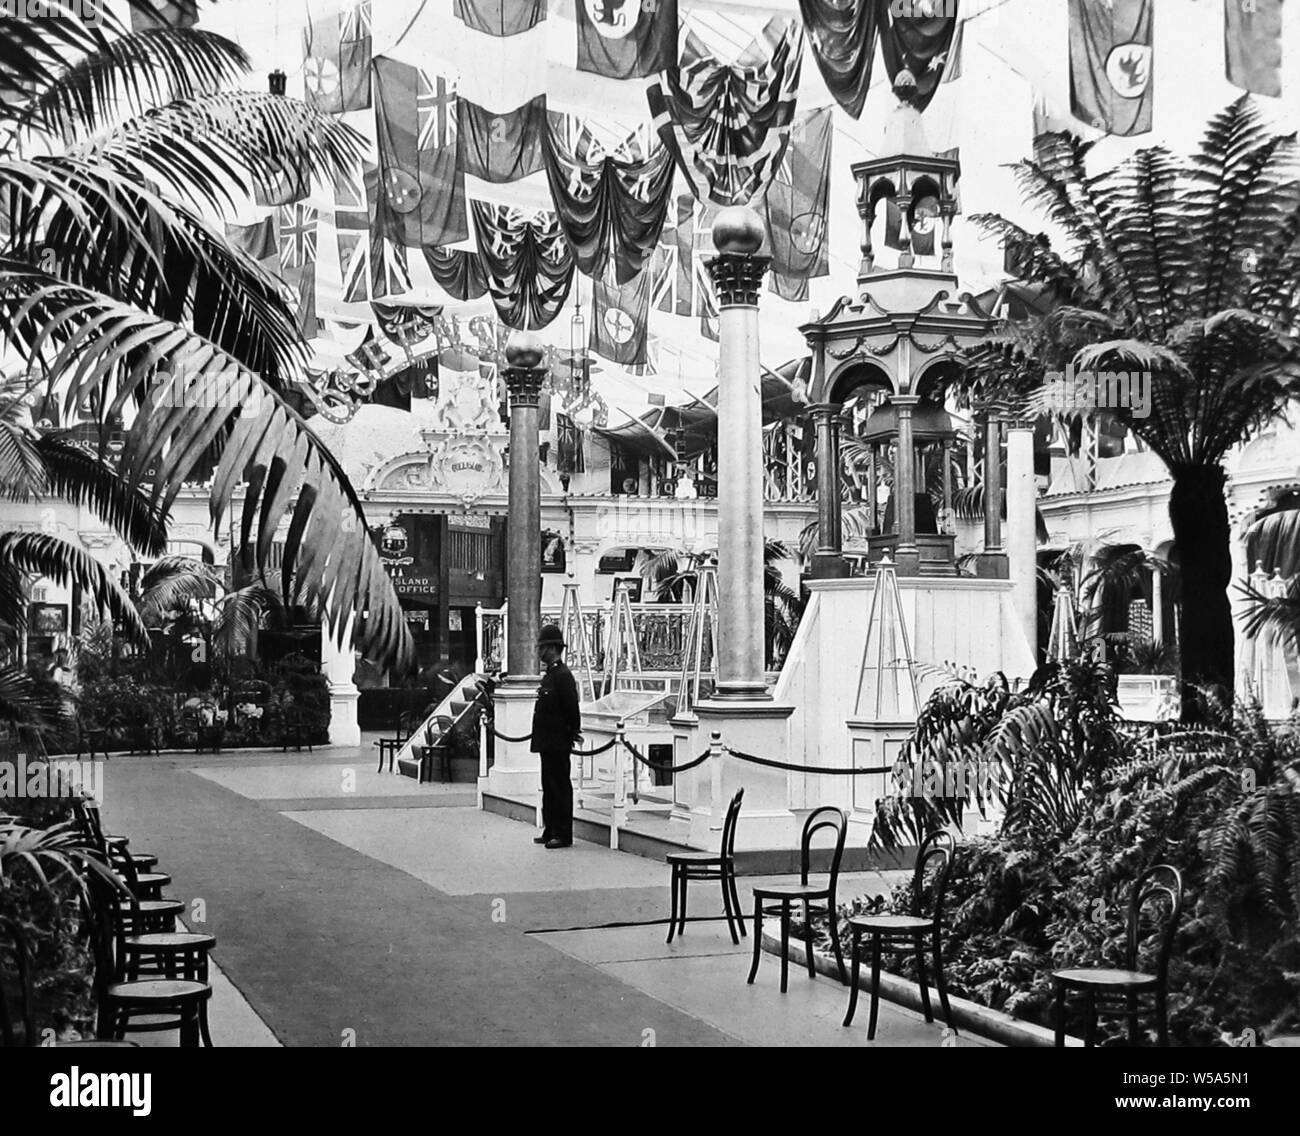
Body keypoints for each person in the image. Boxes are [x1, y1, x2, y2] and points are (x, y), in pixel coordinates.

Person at [530, 623, 581, 849]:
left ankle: (562, 833)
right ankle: (551, 828)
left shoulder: (563, 675)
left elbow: (572, 710)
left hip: (558, 742)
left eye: (542, 647)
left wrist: (569, 735)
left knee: (559, 787)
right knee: (549, 787)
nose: (539, 651)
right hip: (548, 742)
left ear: (552, 648)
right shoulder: (551, 674)